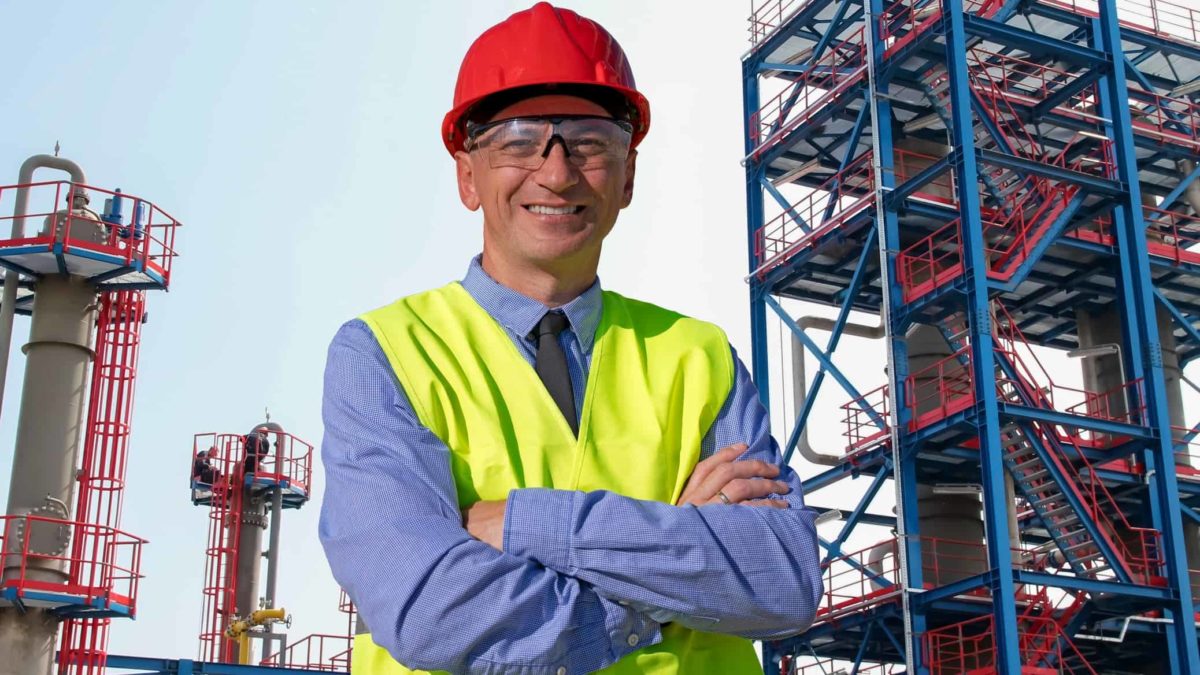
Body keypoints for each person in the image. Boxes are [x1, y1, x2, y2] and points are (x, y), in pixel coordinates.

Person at [319, 4, 822, 674]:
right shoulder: (383, 353)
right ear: (469, 176)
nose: (556, 173)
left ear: (628, 176)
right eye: (519, 139)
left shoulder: (698, 357)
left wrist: (531, 524)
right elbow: (431, 611)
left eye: (588, 141)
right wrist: (660, 585)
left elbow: (781, 579)